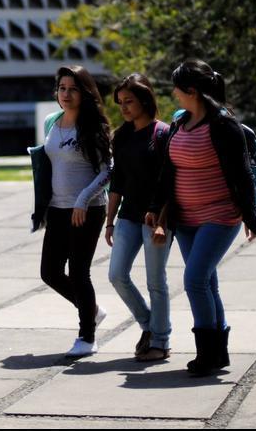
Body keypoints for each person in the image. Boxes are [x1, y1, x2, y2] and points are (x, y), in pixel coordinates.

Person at [147, 59, 256, 377]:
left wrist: (249, 215)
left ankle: (206, 354)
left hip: (219, 214)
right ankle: (218, 354)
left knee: (194, 280)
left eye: (177, 87)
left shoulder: (224, 126)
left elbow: (242, 174)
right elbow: (167, 172)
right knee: (208, 282)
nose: (173, 92)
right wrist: (156, 208)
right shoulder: (179, 123)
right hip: (185, 217)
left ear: (193, 91)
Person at [39, 65, 113, 358]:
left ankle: (87, 336)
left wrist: (83, 199)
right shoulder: (51, 122)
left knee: (79, 273)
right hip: (57, 209)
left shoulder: (93, 126)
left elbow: (109, 169)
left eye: (73, 88)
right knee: (50, 272)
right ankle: (92, 310)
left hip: (87, 209)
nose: (66, 94)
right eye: (62, 88)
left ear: (84, 92)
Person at [105, 73, 173, 361]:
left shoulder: (163, 134)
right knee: (117, 275)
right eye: (120, 102)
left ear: (145, 99)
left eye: (129, 101)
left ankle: (160, 341)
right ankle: (149, 325)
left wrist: (161, 219)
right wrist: (109, 221)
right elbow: (117, 182)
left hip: (156, 218)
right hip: (128, 216)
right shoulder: (121, 136)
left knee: (156, 281)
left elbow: (170, 182)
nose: (124, 108)